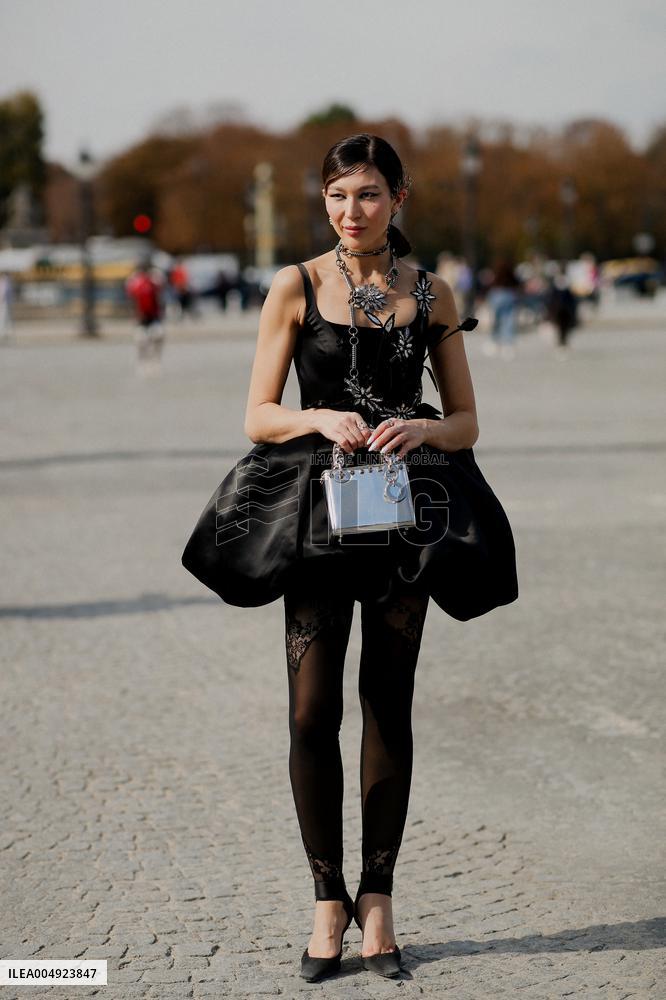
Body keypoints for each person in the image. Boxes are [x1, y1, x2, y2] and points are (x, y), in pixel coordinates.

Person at [183, 133, 518, 984]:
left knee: (388, 707)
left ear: (398, 199)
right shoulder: (294, 284)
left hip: (405, 522)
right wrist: (316, 419)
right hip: (321, 519)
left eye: (367, 194)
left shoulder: (431, 291)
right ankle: (325, 896)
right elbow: (258, 414)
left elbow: (469, 422)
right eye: (337, 196)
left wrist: (425, 426)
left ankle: (378, 901)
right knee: (309, 712)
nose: (350, 211)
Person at [125, 260, 165, 374]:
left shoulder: (154, 280)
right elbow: (132, 297)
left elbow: (160, 291)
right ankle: (142, 361)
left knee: (158, 335)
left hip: (153, 315)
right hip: (141, 317)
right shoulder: (135, 282)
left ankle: (156, 360)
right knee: (141, 340)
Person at [484, 257, 522, 360]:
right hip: (509, 295)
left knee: (496, 320)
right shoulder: (511, 273)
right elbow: (518, 284)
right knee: (509, 320)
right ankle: (508, 345)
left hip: (497, 295)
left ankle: (494, 342)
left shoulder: (496, 273)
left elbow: (490, 284)